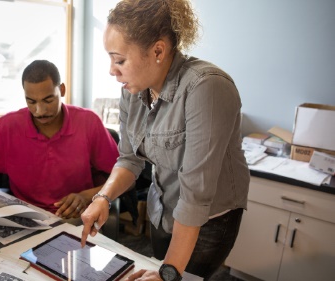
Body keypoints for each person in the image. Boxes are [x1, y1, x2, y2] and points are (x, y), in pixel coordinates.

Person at [80, 0, 250, 280]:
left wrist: (168, 273)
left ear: (158, 50)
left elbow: (195, 196)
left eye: (119, 60)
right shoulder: (133, 90)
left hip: (208, 220)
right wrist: (103, 197)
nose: (112, 70)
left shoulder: (206, 87)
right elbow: (130, 158)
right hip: (164, 207)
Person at [0, 60, 119, 220]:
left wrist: (86, 197)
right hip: (26, 217)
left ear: (61, 90)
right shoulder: (8, 127)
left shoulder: (88, 122)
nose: (39, 110)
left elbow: (122, 178)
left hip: (74, 216)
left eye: (48, 100)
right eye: (31, 101)